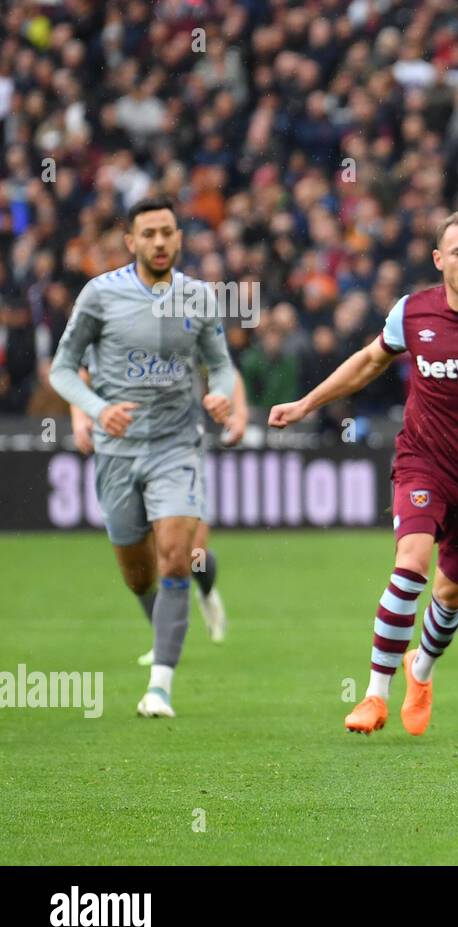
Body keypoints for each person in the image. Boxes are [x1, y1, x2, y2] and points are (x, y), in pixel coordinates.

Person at [268, 210, 458, 737]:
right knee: (410, 565)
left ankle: (422, 669)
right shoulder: (412, 313)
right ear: (439, 260)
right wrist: (307, 403)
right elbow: (368, 362)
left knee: (451, 593)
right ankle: (374, 694)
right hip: (422, 462)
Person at [48, 196, 238, 718]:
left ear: (179, 239)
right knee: (139, 576)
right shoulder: (99, 296)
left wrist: (220, 393)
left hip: (177, 444)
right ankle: (182, 606)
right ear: (130, 241)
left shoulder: (199, 298)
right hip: (116, 452)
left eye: (167, 232)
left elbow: (221, 366)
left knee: (177, 552)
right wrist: (95, 410)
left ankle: (160, 686)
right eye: (148, 233)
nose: (159, 242)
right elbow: (61, 370)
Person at [69, 361, 248, 663]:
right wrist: (79, 417)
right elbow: (79, 372)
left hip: (180, 452)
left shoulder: (181, 323)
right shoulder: (114, 324)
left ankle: (206, 589)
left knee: (192, 555)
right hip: (125, 456)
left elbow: (225, 369)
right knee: (142, 564)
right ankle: (162, 637)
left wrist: (238, 413)